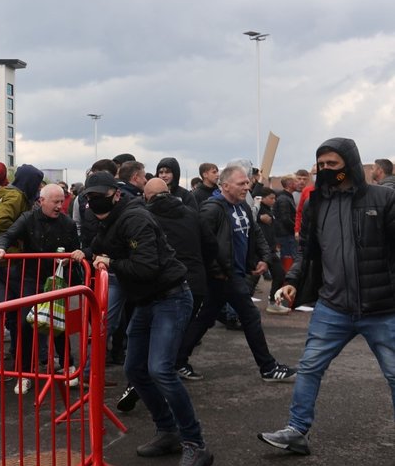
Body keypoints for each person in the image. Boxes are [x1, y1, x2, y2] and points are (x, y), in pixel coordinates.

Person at [259, 138, 395, 455]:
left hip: (382, 308)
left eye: (332, 165)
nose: (325, 171)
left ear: (349, 163)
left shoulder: (383, 198)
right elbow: (307, 251)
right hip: (333, 307)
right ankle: (296, 431)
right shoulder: (316, 203)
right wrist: (293, 280)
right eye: (321, 165)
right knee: (309, 368)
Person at [83, 171, 212, 466]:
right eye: (91, 195)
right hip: (146, 301)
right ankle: (167, 430)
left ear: (116, 193)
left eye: (101, 193)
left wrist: (109, 263)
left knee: (160, 370)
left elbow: (146, 266)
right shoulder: (109, 220)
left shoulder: (135, 218)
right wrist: (85, 254)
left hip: (171, 297)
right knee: (136, 369)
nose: (95, 199)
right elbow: (98, 246)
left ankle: (195, 444)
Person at [175, 165, 297, 383]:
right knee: (249, 316)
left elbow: (255, 234)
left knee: (205, 318)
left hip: (235, 274)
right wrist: (219, 273)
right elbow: (203, 245)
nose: (247, 187)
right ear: (225, 186)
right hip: (224, 277)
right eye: (241, 184)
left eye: (247, 183)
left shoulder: (242, 206)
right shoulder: (211, 209)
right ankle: (268, 367)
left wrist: (263, 259)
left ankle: (177, 360)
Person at [118, 178, 216, 412]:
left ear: (146, 197)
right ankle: (166, 375)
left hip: (160, 284)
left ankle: (145, 388)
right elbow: (211, 245)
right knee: (168, 347)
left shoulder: (144, 217)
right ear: (169, 192)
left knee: (150, 348)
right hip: (192, 281)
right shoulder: (192, 213)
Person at [0, 183, 83, 395]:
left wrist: (74, 257)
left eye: (62, 201)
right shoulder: (28, 218)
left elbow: (76, 248)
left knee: (58, 323)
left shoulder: (68, 223)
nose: (60, 206)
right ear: (41, 201)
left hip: (56, 278)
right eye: (55, 202)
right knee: (26, 323)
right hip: (31, 278)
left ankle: (68, 366)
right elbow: (7, 234)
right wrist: (0, 248)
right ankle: (25, 374)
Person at [0, 163, 45, 381]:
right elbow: (1, 221)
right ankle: (24, 363)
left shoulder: (6, 194)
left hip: (0, 262)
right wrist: (19, 239)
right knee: (24, 313)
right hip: (12, 261)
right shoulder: (16, 196)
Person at [273, 177, 298, 270]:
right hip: (286, 235)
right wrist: (296, 229)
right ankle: (288, 281)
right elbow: (285, 219)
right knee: (288, 258)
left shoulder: (286, 197)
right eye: (296, 181)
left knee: (289, 258)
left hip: (286, 234)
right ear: (290, 184)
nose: (298, 183)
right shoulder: (284, 199)